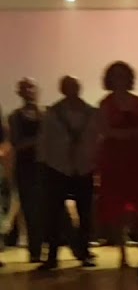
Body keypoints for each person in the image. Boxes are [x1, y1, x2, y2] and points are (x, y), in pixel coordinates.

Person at [36, 76, 98, 271]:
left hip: (83, 167)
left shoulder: (91, 113)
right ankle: (52, 256)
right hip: (57, 167)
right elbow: (44, 141)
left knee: (85, 214)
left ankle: (84, 251)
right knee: (54, 215)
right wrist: (44, 164)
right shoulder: (52, 114)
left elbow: (96, 139)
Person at [97, 61, 138, 268]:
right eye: (116, 75)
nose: (120, 79)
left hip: (136, 157)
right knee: (116, 205)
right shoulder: (106, 103)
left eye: (123, 75)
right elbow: (104, 130)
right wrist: (129, 134)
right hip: (114, 158)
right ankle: (122, 251)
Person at [6, 78, 43, 263]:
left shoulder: (45, 113)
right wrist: (39, 140)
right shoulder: (15, 117)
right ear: (20, 92)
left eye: (31, 87)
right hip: (27, 168)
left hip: (47, 167)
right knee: (30, 211)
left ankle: (77, 249)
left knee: (56, 210)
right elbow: (16, 143)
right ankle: (35, 251)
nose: (30, 91)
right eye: (25, 88)